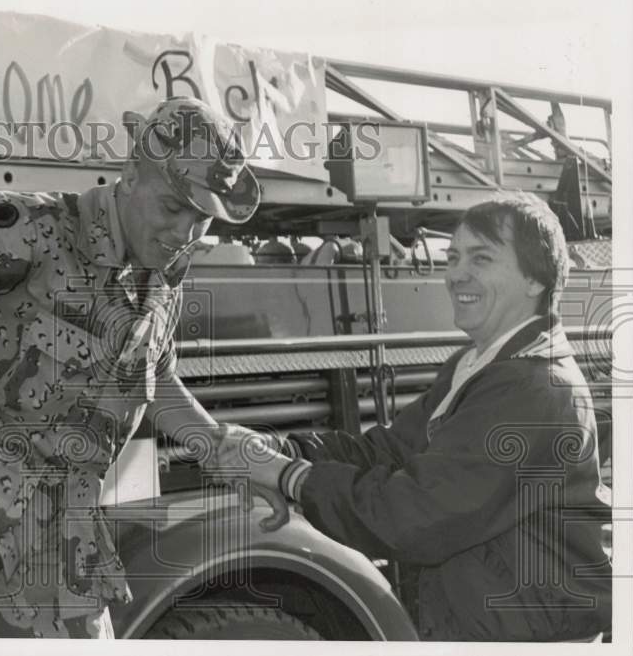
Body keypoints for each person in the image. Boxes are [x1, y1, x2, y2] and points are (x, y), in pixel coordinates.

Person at [0, 96, 286, 638]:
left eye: (201, 218)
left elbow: (150, 374)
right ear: (131, 175)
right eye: (173, 208)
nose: (185, 233)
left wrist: (225, 452)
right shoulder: (32, 230)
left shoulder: (159, 275)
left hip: (59, 553)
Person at [235, 193, 612, 640]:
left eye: (481, 258)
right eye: (452, 257)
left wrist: (290, 477)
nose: (456, 274)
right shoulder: (476, 365)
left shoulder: (533, 388)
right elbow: (390, 450)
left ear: (536, 279)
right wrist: (280, 450)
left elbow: (415, 515)